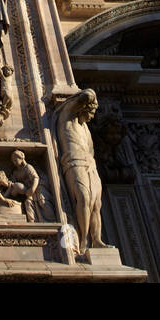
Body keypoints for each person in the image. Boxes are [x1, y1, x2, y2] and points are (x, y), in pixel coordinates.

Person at [57, 89, 109, 253]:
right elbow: (85, 95)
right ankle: (83, 239)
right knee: (83, 197)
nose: (93, 116)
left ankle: (96, 239)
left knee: (96, 204)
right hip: (74, 162)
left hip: (89, 164)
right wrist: (90, 97)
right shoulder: (67, 119)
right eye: (91, 111)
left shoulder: (85, 129)